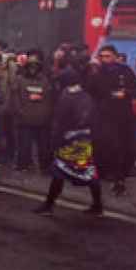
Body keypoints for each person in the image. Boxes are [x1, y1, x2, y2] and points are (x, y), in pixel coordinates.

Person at [35, 70, 103, 216]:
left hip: (67, 141)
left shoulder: (66, 97)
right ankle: (98, 206)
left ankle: (48, 206)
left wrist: (54, 143)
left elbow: (59, 123)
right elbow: (94, 120)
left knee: (58, 172)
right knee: (89, 172)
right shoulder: (87, 97)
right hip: (84, 141)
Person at [87, 44, 136, 197]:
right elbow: (89, 90)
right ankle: (107, 174)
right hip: (102, 115)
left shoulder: (125, 70)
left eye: (107, 56)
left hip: (122, 115)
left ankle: (120, 176)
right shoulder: (96, 72)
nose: (105, 59)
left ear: (115, 56)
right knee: (104, 146)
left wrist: (126, 93)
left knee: (125, 148)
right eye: (102, 56)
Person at [11, 51, 54, 173]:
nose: (32, 68)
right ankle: (23, 165)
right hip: (25, 119)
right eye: (30, 65)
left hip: (42, 120)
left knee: (43, 146)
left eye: (35, 66)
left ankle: (44, 167)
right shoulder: (19, 80)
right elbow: (15, 99)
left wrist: (46, 115)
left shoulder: (45, 81)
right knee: (24, 145)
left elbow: (49, 99)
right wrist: (20, 113)